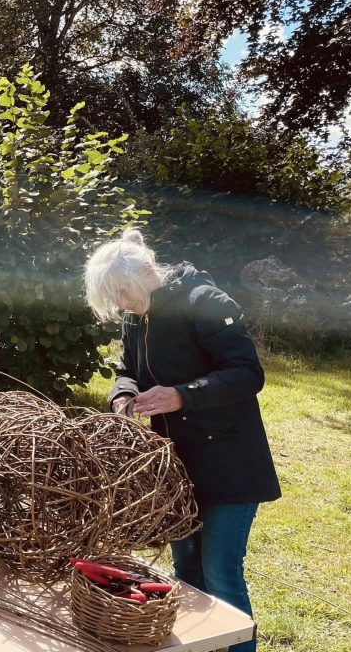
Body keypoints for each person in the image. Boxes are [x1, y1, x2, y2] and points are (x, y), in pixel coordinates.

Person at [84, 229, 280, 652]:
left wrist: (182, 395)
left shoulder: (205, 302)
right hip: (175, 466)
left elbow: (248, 374)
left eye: (121, 292)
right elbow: (127, 368)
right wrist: (123, 394)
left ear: (145, 272)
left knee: (221, 571)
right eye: (114, 298)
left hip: (229, 463)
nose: (120, 304)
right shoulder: (138, 314)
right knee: (185, 569)